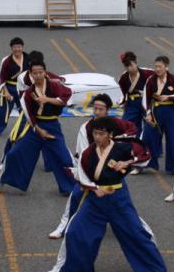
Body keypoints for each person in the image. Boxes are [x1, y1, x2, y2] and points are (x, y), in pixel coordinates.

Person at [43, 117, 166, 272]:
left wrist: (128, 162)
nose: (97, 137)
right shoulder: (88, 152)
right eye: (95, 133)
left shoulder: (122, 148)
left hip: (118, 198)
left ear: (110, 134)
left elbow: (145, 156)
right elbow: (81, 174)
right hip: (95, 200)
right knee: (75, 230)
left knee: (135, 232)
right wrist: (94, 188)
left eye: (101, 134)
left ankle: (153, 269)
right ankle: (67, 268)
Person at [49, 93, 138, 239]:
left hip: (112, 176)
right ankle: (63, 227)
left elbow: (132, 132)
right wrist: (88, 179)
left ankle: (136, 231)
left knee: (125, 207)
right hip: (91, 173)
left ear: (107, 110)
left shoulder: (116, 124)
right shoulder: (86, 128)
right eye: (95, 108)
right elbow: (83, 153)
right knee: (75, 198)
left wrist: (122, 144)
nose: (97, 112)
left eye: (100, 109)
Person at [0, 58, 77, 196]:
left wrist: (47, 99)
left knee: (64, 157)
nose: (38, 75)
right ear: (30, 74)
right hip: (35, 128)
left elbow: (66, 97)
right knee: (14, 154)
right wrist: (39, 130)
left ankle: (73, 188)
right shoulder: (28, 93)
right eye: (35, 73)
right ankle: (0, 183)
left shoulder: (54, 87)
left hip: (52, 126)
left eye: (40, 72)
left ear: (45, 73)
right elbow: (29, 116)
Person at [141, 55, 174, 174]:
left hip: (170, 111)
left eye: (160, 67)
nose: (157, 69)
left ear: (166, 67)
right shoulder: (151, 80)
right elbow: (145, 97)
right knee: (148, 135)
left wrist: (169, 97)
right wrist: (148, 113)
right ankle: (147, 163)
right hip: (155, 110)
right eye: (155, 66)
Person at [116, 51, 154, 131]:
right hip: (132, 104)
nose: (129, 68)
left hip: (146, 103)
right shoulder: (123, 78)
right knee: (126, 126)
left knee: (151, 127)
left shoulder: (149, 73)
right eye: (126, 66)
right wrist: (123, 104)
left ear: (136, 62)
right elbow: (124, 93)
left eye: (131, 65)